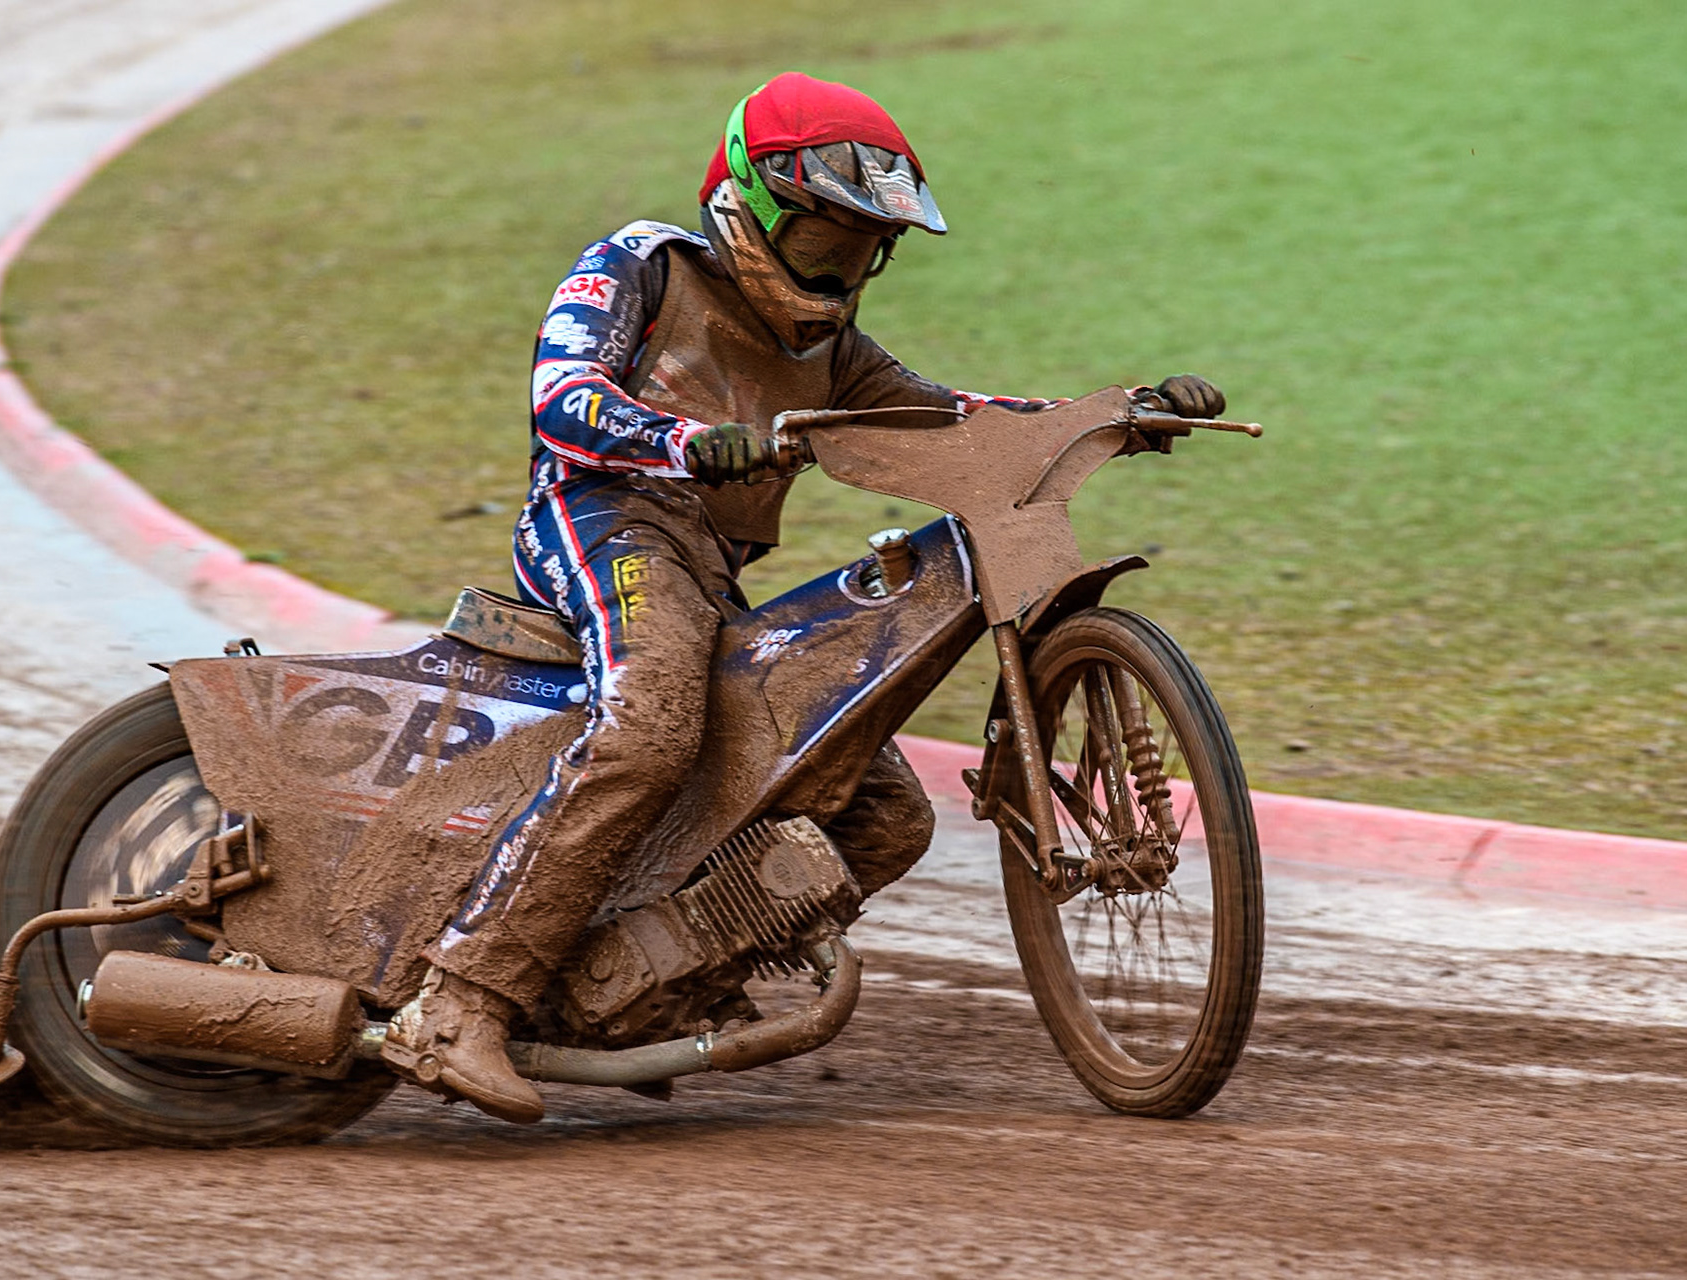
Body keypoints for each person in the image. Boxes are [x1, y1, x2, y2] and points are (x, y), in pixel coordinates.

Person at [384, 72, 1224, 1122]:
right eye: (827, 245)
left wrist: (1110, 413)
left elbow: (955, 419)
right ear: (750, 205)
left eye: (866, 251)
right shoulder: (639, 265)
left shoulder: (830, 352)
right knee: (653, 725)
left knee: (882, 814)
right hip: (605, 519)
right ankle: (458, 1000)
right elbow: (562, 402)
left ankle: (647, 988)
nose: (845, 272)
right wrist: (684, 441)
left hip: (709, 575)